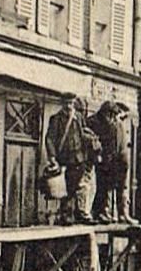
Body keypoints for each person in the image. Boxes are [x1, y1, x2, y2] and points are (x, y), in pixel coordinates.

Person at [45, 93, 95, 224]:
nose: (69, 106)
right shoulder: (56, 119)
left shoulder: (78, 117)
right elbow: (50, 138)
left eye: (71, 103)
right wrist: (52, 157)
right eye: (66, 103)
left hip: (79, 158)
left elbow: (83, 134)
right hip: (65, 158)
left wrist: (90, 145)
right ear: (62, 104)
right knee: (66, 188)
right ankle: (66, 215)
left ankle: (80, 214)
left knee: (79, 186)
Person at [89, 100, 133, 223]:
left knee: (116, 186)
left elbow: (120, 144)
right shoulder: (96, 121)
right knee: (103, 186)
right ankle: (101, 212)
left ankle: (118, 213)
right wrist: (99, 154)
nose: (115, 117)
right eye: (113, 114)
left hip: (117, 160)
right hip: (104, 159)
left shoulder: (117, 124)